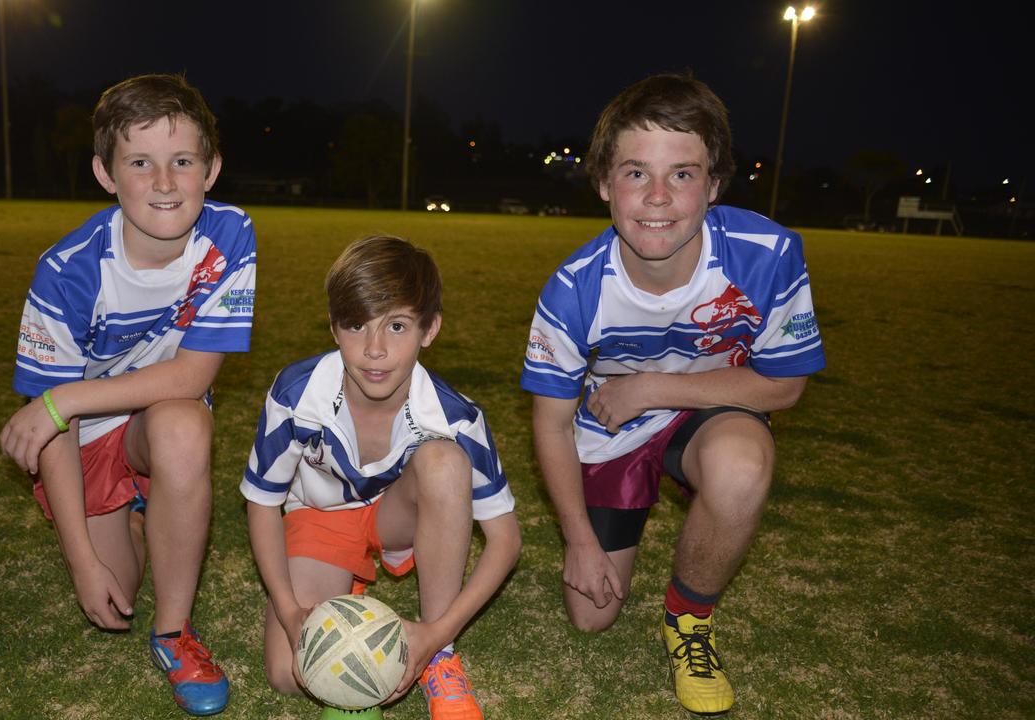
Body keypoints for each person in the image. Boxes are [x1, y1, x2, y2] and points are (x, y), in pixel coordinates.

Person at [521, 73, 825, 716]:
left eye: (682, 175)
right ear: (604, 182)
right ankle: (617, 525)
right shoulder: (573, 289)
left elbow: (787, 384)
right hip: (610, 428)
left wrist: (653, 387)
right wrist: (577, 539)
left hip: (710, 410)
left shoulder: (767, 255)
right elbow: (549, 425)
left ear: (714, 185)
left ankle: (690, 620)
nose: (657, 198)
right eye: (635, 173)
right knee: (590, 617)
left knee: (743, 464)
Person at [0, 73, 255, 716]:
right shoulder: (68, 270)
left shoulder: (228, 237)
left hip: (146, 415)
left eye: (182, 162)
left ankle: (174, 635)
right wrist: (80, 561)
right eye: (140, 163)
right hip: (79, 441)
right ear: (105, 173)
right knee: (116, 589)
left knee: (184, 426)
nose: (164, 183)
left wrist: (65, 399)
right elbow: (51, 435)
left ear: (212, 169)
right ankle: (142, 510)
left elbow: (193, 379)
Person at [242, 236, 521, 720]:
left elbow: (505, 541)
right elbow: (263, 501)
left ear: (429, 329)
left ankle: (440, 661)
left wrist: (435, 633)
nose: (374, 349)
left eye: (397, 326)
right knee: (291, 674)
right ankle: (341, 586)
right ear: (333, 328)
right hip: (320, 516)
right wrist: (288, 611)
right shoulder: (296, 394)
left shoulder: (454, 417)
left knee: (443, 463)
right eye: (356, 325)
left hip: (400, 514)